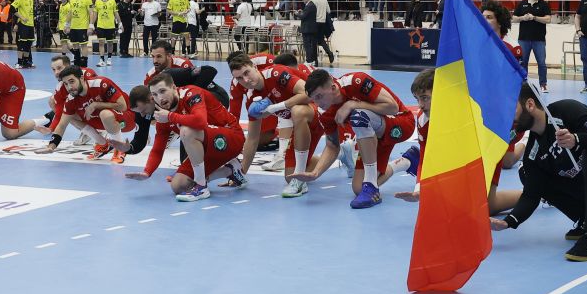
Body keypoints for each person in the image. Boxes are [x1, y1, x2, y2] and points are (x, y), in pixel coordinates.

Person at [490, 88, 587, 262]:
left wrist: (577, 140)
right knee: (527, 173)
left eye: (511, 109)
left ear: (530, 104)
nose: (509, 118)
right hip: (584, 186)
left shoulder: (567, 110)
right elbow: (532, 194)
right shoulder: (533, 150)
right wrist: (509, 221)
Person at [295, 70, 416, 209]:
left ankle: (371, 187)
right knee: (358, 188)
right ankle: (407, 161)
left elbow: (393, 108)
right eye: (314, 99)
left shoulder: (356, 81)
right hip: (372, 136)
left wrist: (352, 104)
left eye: (320, 96)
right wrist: (315, 173)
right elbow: (332, 146)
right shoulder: (325, 113)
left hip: (400, 123)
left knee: (358, 116)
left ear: (333, 88)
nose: (318, 103)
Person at [124, 73, 247, 202]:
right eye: (154, 95)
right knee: (178, 185)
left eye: (162, 91)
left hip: (232, 137)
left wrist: (171, 116)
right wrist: (147, 172)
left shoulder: (190, 93)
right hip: (208, 146)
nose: (160, 98)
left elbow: (200, 122)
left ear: (173, 87)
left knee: (187, 130)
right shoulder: (163, 115)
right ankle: (230, 171)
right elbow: (158, 149)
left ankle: (201, 187)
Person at [230, 56, 324, 197]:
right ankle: (339, 154)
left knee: (297, 111)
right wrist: (240, 173)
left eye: (246, 73)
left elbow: (309, 95)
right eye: (239, 78)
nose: (246, 80)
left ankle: (299, 183)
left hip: (323, 111)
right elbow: (252, 138)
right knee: (290, 176)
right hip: (304, 126)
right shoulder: (253, 102)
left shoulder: (276, 73)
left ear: (254, 67)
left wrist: (275, 107)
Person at [38, 67, 136, 157]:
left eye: (72, 81)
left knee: (105, 114)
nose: (69, 87)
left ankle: (119, 150)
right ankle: (103, 144)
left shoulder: (101, 83)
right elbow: (62, 125)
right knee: (69, 117)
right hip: (102, 122)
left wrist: (96, 105)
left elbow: (123, 106)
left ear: (81, 78)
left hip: (127, 119)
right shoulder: (71, 99)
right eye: (66, 84)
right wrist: (51, 146)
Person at [514, 0, 551, 91]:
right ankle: (523, 84)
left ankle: (543, 84)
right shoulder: (522, 4)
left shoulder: (544, 4)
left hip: (539, 39)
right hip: (523, 39)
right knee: (523, 63)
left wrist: (534, 17)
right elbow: (513, 18)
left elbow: (548, 19)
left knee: (542, 63)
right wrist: (523, 18)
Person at [64, 0, 91, 66]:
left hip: (83, 26)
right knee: (75, 45)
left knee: (83, 45)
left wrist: (91, 25)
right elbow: (70, 13)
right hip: (73, 26)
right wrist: (67, 24)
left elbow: (91, 13)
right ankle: (77, 61)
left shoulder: (87, 0)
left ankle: (84, 63)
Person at [91, 0, 118, 67]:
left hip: (110, 26)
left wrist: (120, 23)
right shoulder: (97, 2)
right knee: (101, 43)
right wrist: (91, 24)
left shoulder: (112, 1)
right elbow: (95, 14)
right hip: (100, 26)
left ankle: (109, 58)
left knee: (110, 43)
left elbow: (116, 13)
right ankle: (102, 60)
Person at [12, 0, 35, 69]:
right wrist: (21, 18)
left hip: (31, 25)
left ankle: (26, 62)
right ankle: (19, 62)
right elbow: (12, 8)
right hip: (23, 25)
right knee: (21, 44)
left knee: (28, 44)